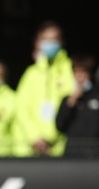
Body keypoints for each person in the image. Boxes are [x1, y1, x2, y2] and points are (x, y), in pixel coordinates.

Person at [12, 21, 73, 157]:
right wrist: (34, 137)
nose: (50, 43)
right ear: (37, 43)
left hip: (59, 149)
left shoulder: (70, 70)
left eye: (54, 39)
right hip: (29, 149)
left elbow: (70, 108)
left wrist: (51, 138)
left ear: (62, 42)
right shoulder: (31, 73)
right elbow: (21, 108)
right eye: (46, 39)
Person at [55, 54, 99, 158]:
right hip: (71, 154)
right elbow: (59, 126)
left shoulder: (96, 98)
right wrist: (71, 103)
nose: (80, 77)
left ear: (90, 74)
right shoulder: (67, 100)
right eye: (77, 72)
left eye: (83, 72)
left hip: (94, 155)